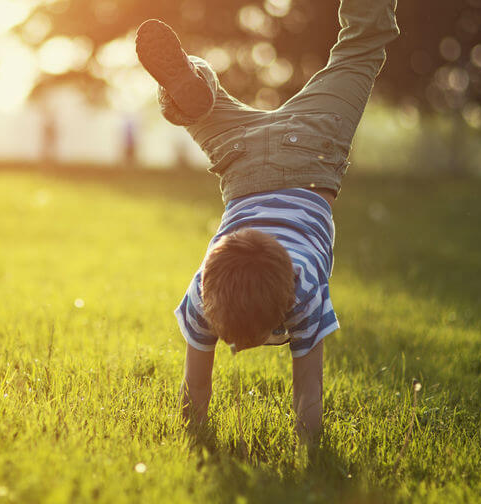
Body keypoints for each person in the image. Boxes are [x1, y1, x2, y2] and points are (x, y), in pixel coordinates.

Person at [135, 0, 399, 444]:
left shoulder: (297, 290)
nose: (236, 348)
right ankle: (193, 85)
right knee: (199, 110)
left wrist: (196, 436)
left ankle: (191, 86)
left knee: (360, 48)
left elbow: (199, 390)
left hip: (309, 147)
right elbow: (304, 396)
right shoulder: (203, 289)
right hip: (242, 158)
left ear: (285, 304)